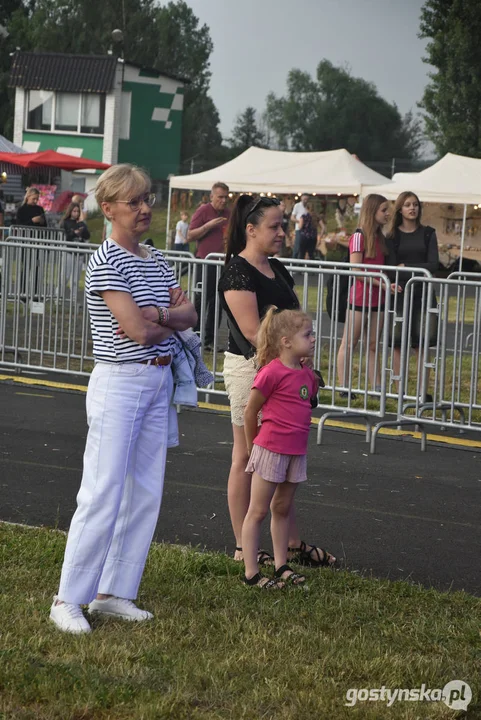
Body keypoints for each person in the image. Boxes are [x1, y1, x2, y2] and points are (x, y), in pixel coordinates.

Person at [49, 163, 197, 634]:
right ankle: (68, 597)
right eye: (133, 201)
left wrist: (158, 315)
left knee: (145, 490)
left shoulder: (153, 258)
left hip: (156, 382)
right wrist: (161, 318)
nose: (144, 208)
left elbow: (188, 313)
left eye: (147, 198)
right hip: (121, 379)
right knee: (103, 490)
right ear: (108, 207)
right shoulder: (106, 261)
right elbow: (136, 331)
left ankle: (114, 592)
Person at [218, 193, 336, 569]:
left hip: (283, 372)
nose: (283, 232)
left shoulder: (278, 268)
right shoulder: (238, 271)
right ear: (251, 230)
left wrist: (300, 366)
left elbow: (292, 326)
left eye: (283, 224)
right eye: (275, 226)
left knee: (281, 458)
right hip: (251, 370)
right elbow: (255, 333)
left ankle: (292, 542)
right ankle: (243, 544)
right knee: (247, 456)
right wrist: (289, 366)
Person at [242, 308, 319, 589]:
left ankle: (281, 564)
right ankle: (251, 572)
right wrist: (252, 449)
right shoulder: (271, 372)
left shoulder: (306, 374)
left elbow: (307, 402)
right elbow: (250, 411)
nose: (313, 339)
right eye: (307, 334)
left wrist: (310, 371)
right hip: (270, 450)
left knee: (283, 508)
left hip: (295, 451)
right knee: (258, 511)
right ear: (286, 341)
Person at [336, 194, 400, 396]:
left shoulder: (381, 238)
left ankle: (377, 386)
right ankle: (344, 386)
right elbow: (355, 269)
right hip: (360, 297)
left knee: (373, 344)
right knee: (349, 342)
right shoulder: (358, 236)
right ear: (372, 211)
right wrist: (381, 283)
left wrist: (385, 284)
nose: (387, 214)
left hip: (378, 299)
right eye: (383, 210)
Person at [386, 191, 439, 398]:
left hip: (424, 293)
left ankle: (422, 392)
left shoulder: (428, 233)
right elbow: (390, 268)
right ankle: (400, 391)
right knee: (398, 344)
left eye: (415, 204)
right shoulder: (392, 237)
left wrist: (406, 266)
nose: (412, 208)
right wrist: (409, 269)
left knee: (423, 343)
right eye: (407, 204)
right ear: (400, 208)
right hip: (400, 293)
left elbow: (434, 264)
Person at [188, 182, 230, 351]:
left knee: (218, 302)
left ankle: (210, 340)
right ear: (212, 196)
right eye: (220, 197)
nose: (223, 200)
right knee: (201, 299)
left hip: (222, 262)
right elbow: (189, 235)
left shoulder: (229, 213)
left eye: (226, 197)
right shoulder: (203, 211)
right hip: (205, 262)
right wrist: (208, 226)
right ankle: (195, 338)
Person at [61, 201, 91, 293]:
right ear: (70, 211)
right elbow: (65, 236)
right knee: (65, 275)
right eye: (74, 211)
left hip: (80, 252)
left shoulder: (81, 223)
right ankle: (58, 295)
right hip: (69, 251)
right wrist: (74, 233)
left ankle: (73, 298)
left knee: (76, 278)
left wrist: (82, 227)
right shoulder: (65, 222)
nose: (76, 213)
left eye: (78, 211)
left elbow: (87, 236)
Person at [290, 193, 309, 259]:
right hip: (299, 229)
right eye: (304, 199)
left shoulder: (308, 207)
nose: (305, 201)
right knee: (297, 247)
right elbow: (292, 217)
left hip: (306, 230)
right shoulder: (297, 206)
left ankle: (300, 264)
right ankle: (293, 263)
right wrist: (300, 222)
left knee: (303, 248)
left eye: (306, 199)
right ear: (301, 198)